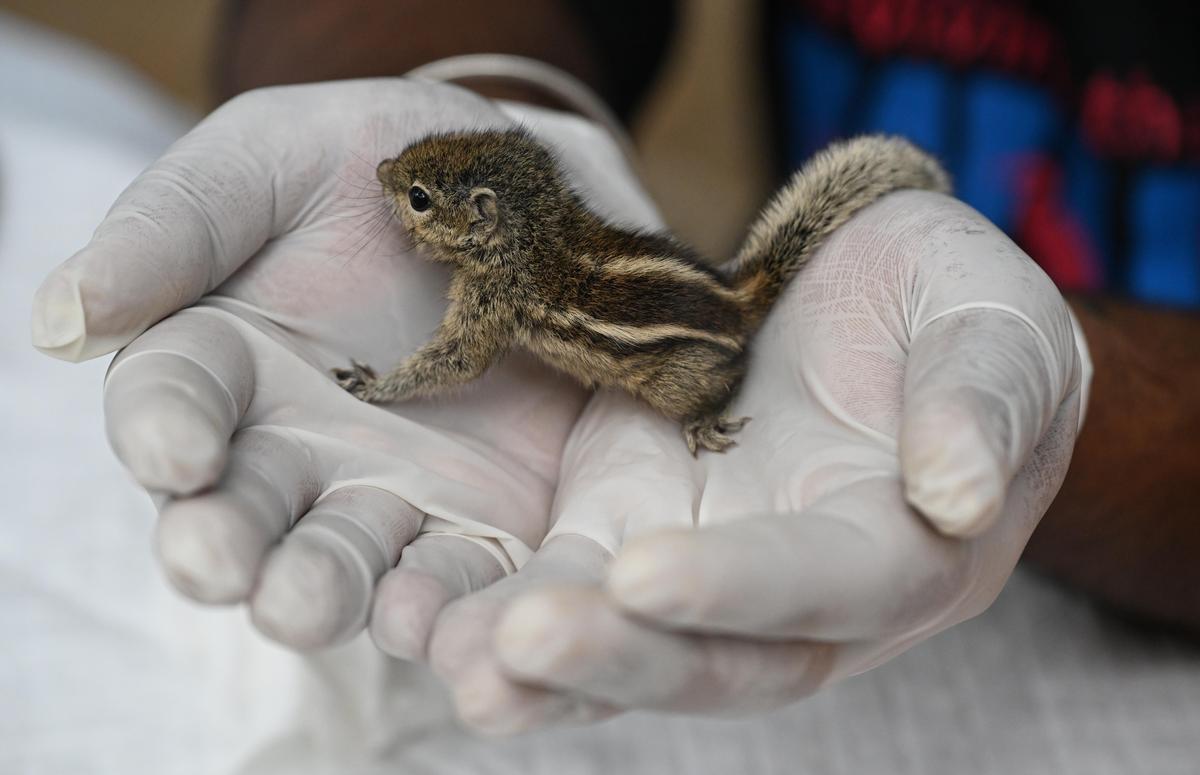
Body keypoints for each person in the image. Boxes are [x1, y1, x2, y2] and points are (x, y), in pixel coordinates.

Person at [24, 0, 1196, 748]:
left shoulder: (512, 291)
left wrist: (1046, 401)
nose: (404, 218)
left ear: (483, 220)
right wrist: (474, 81)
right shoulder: (512, 249)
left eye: (425, 208)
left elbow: (465, 351)